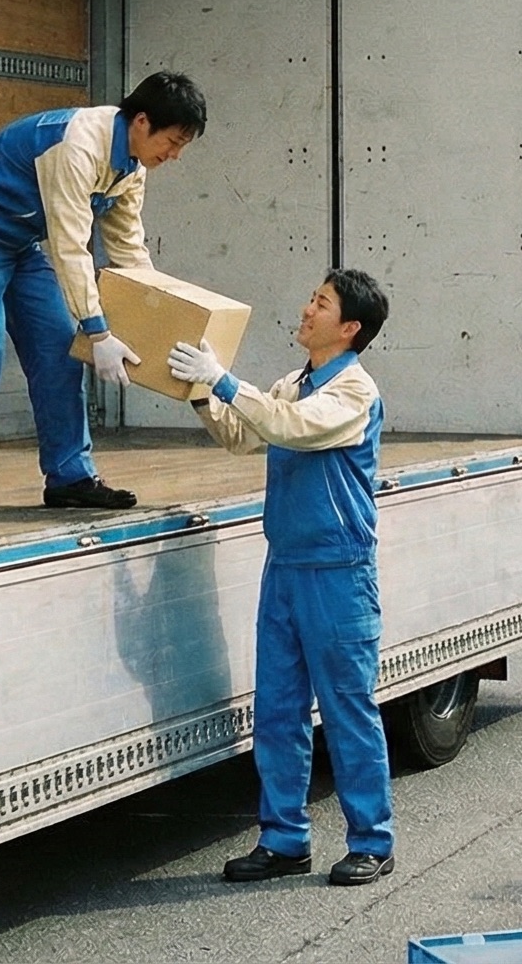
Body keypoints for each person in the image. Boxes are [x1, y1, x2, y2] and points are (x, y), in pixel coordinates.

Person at [169, 270, 395, 888]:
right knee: (277, 710)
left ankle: (372, 841)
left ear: (349, 328)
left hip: (338, 571)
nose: (306, 309)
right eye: (312, 298)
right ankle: (284, 839)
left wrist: (223, 378)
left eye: (321, 303)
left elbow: (292, 427)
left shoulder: (354, 391)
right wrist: (200, 392)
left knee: (347, 709)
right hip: (286, 565)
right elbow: (244, 434)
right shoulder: (290, 384)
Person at [0, 72, 204, 513]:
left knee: (59, 350)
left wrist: (156, 316)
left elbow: (128, 248)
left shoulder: (132, 166)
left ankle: (70, 476)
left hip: (20, 240)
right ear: (141, 121)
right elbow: (71, 247)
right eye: (172, 142)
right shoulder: (78, 144)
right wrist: (98, 332)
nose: (174, 155)